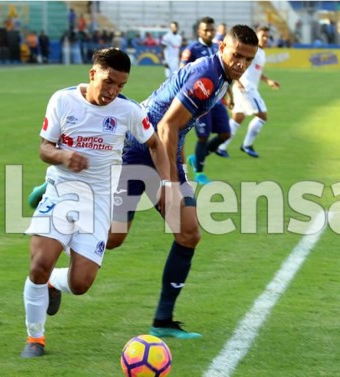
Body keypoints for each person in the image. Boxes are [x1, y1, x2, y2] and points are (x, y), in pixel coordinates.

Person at [106, 25, 258, 339]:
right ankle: (61, 220)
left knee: (189, 233)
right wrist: (170, 185)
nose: (241, 63)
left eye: (248, 58)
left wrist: (179, 165)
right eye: (237, 55)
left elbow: (178, 127)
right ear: (222, 47)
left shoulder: (220, 77)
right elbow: (166, 126)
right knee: (113, 238)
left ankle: (162, 321)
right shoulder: (207, 78)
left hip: (162, 148)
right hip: (139, 150)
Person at [20, 48, 170, 358]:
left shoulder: (128, 111)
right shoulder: (63, 100)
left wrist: (167, 184)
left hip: (99, 203)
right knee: (39, 265)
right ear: (93, 74)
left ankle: (53, 285)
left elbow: (155, 144)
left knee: (80, 283)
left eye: (121, 85)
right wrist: (63, 156)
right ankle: (35, 339)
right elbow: (45, 148)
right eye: (109, 81)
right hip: (62, 191)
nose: (113, 91)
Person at [180, 17, 233, 185]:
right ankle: (199, 172)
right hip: (199, 102)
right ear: (199, 32)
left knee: (225, 134)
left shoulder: (218, 48)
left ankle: (196, 157)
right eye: (206, 30)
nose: (210, 33)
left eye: (212, 29)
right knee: (203, 136)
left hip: (216, 101)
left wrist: (230, 95)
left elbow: (224, 74)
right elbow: (182, 73)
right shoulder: (192, 50)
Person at [217, 26, 280, 158]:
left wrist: (268, 80)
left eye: (268, 37)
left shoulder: (260, 52)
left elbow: (256, 71)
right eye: (263, 35)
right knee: (262, 116)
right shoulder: (251, 50)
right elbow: (236, 64)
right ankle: (247, 145)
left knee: (238, 118)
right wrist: (237, 81)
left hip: (245, 87)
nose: (266, 39)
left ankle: (220, 147)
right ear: (256, 36)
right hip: (246, 87)